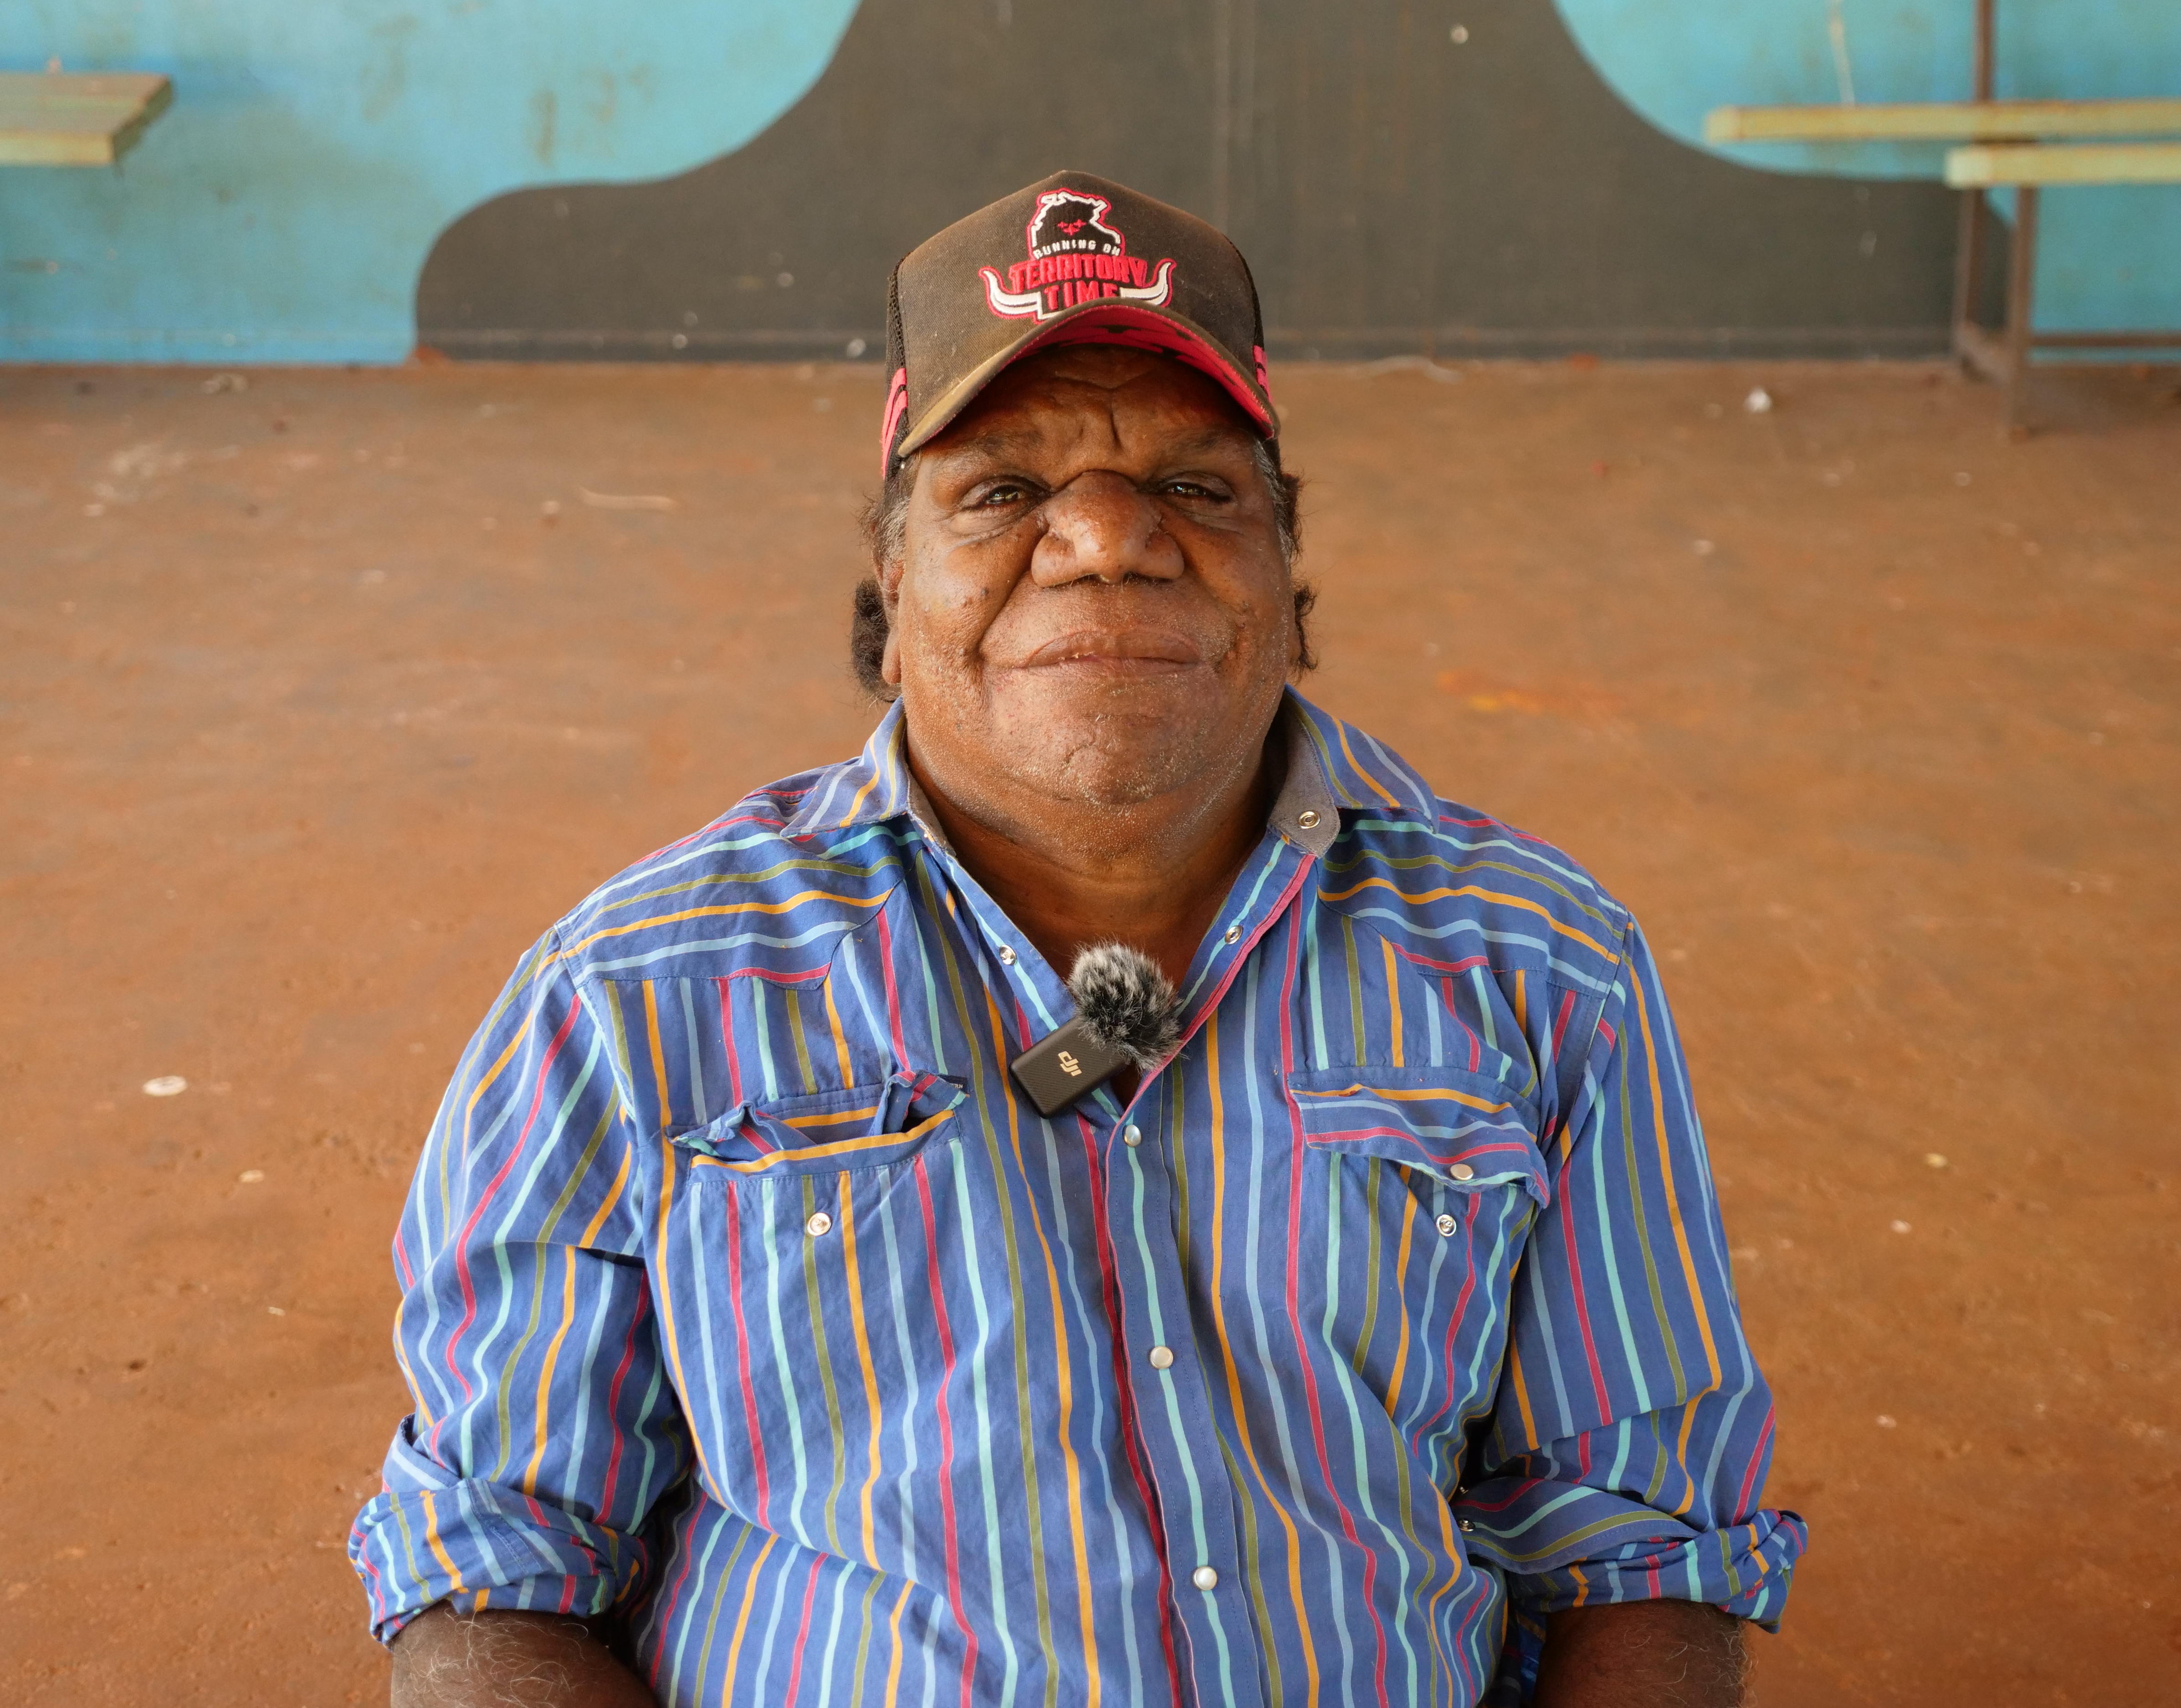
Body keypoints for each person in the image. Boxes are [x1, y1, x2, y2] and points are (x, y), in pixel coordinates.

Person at [350, 171, 1805, 1707]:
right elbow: (490, 1578)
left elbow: (1643, 1553)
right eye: (1001, 492)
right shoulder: (635, 992)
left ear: (1290, 588)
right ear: (890, 593)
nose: (1108, 537)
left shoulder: (1539, 962)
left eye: (1196, 488)